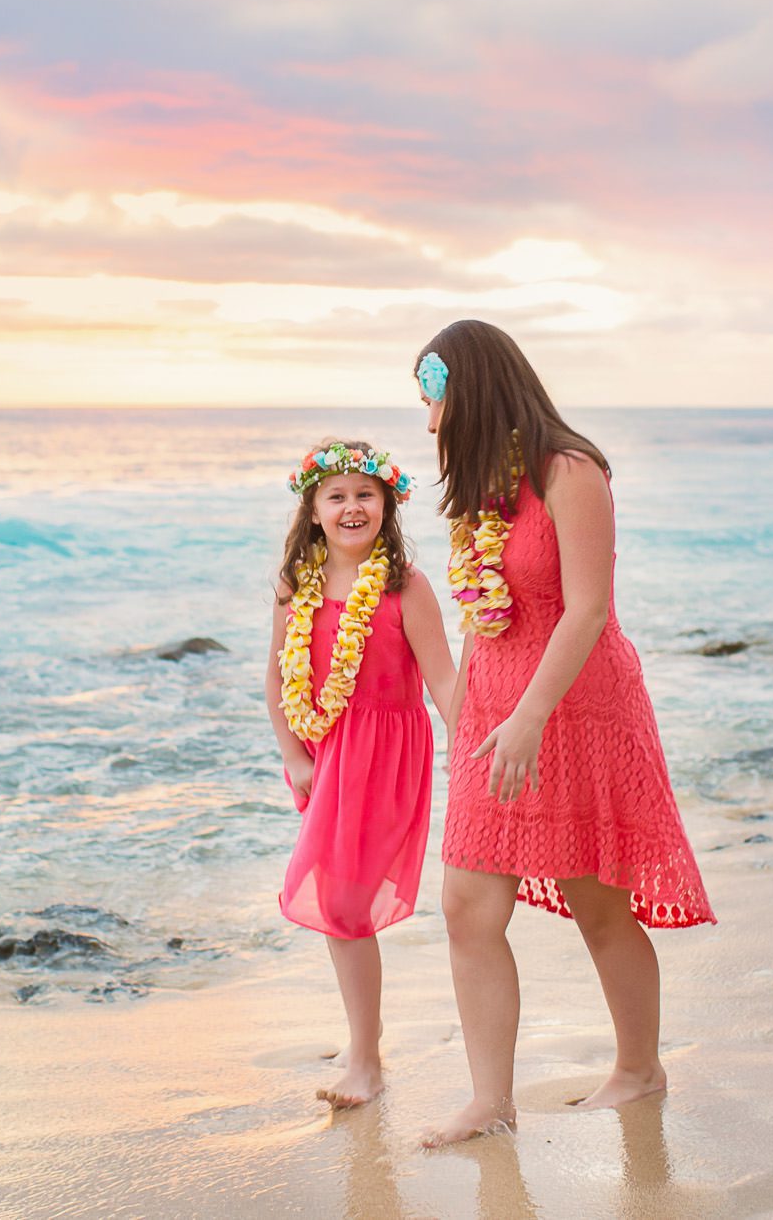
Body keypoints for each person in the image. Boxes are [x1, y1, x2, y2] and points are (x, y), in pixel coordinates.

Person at [412, 320, 715, 1147]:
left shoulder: (570, 471)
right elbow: (483, 613)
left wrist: (530, 716)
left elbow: (587, 610)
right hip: (497, 714)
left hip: (574, 707)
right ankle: (489, 1098)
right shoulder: (483, 486)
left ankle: (639, 1068)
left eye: (432, 398)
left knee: (598, 903)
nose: (429, 422)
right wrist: (467, 704)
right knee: (467, 905)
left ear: (469, 388)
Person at [263, 439, 456, 1109]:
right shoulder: (297, 586)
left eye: (364, 494)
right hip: (323, 755)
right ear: (313, 510)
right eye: (336, 495)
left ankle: (367, 1060)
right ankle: (364, 1049)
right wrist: (294, 755)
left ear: (387, 504)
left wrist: (478, 749)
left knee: (343, 906)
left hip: (383, 760)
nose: (351, 506)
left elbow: (442, 680)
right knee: (340, 906)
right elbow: (277, 676)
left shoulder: (405, 586)